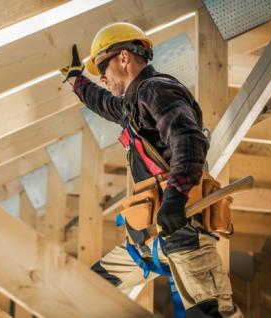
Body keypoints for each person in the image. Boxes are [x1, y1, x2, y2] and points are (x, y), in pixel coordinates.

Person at [60, 22, 241, 317]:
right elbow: (103, 103)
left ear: (123, 58)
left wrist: (175, 198)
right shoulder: (132, 104)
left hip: (183, 234)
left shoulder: (157, 90)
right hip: (149, 240)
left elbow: (189, 140)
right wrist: (76, 81)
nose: (102, 78)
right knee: (87, 288)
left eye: (102, 67)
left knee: (211, 314)